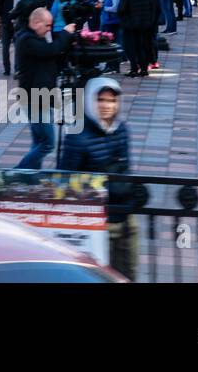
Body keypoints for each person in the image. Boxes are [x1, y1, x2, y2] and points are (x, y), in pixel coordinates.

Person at [57, 77, 138, 280]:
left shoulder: (121, 130)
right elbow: (64, 180)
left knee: (128, 274)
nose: (106, 105)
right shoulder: (77, 136)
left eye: (111, 101)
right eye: (101, 100)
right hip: (96, 223)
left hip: (124, 217)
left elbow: (126, 168)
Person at [14, 7, 77, 169]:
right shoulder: (26, 39)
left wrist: (67, 38)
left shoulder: (38, 36)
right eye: (47, 25)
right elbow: (51, 50)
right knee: (48, 143)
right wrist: (65, 33)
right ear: (35, 23)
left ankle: (31, 177)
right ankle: (17, 173)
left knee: (38, 142)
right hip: (34, 98)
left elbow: (55, 52)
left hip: (41, 96)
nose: (49, 29)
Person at [116, 0, 157, 78]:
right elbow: (152, 5)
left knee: (130, 47)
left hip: (130, 25)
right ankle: (143, 69)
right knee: (142, 46)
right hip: (144, 24)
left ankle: (134, 68)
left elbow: (121, 9)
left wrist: (122, 19)